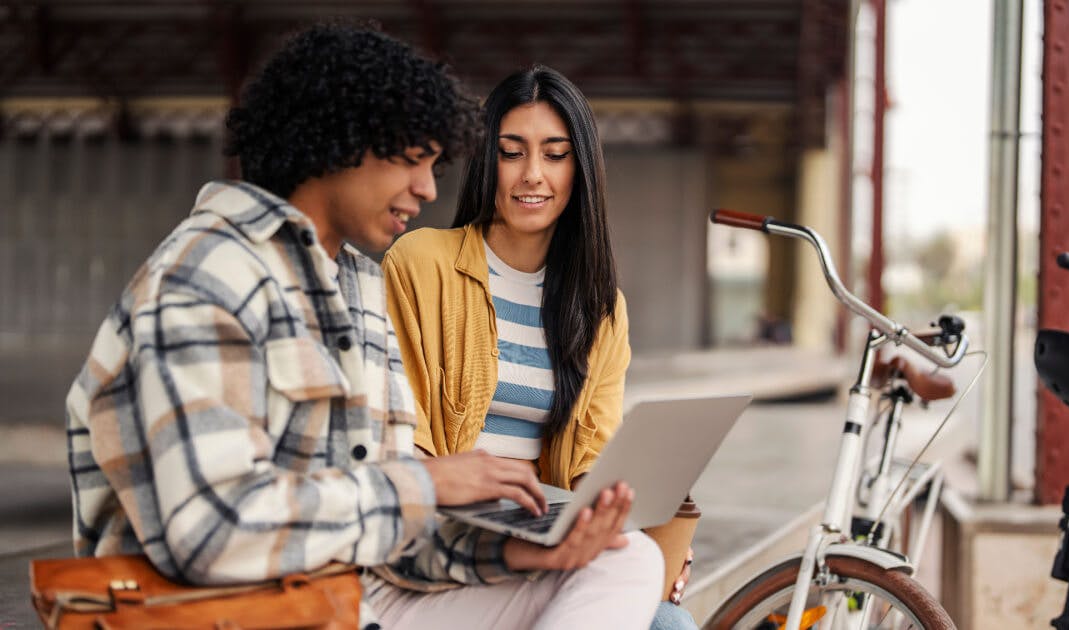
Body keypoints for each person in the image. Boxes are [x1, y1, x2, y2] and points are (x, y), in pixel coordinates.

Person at [65, 23, 660, 629]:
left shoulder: (358, 285)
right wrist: (421, 483)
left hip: (351, 599)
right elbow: (211, 533)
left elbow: (394, 536)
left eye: (433, 165)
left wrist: (519, 550)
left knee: (627, 560)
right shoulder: (206, 277)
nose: (428, 189)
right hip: (227, 614)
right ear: (340, 143)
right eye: (412, 161)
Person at [383, 65, 697, 629]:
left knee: (669, 619)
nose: (533, 175)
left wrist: (635, 522)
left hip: (542, 521)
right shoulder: (420, 263)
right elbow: (407, 446)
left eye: (555, 154)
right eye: (512, 152)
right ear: (488, 162)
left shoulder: (602, 309)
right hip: (449, 530)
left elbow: (592, 466)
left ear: (581, 169)